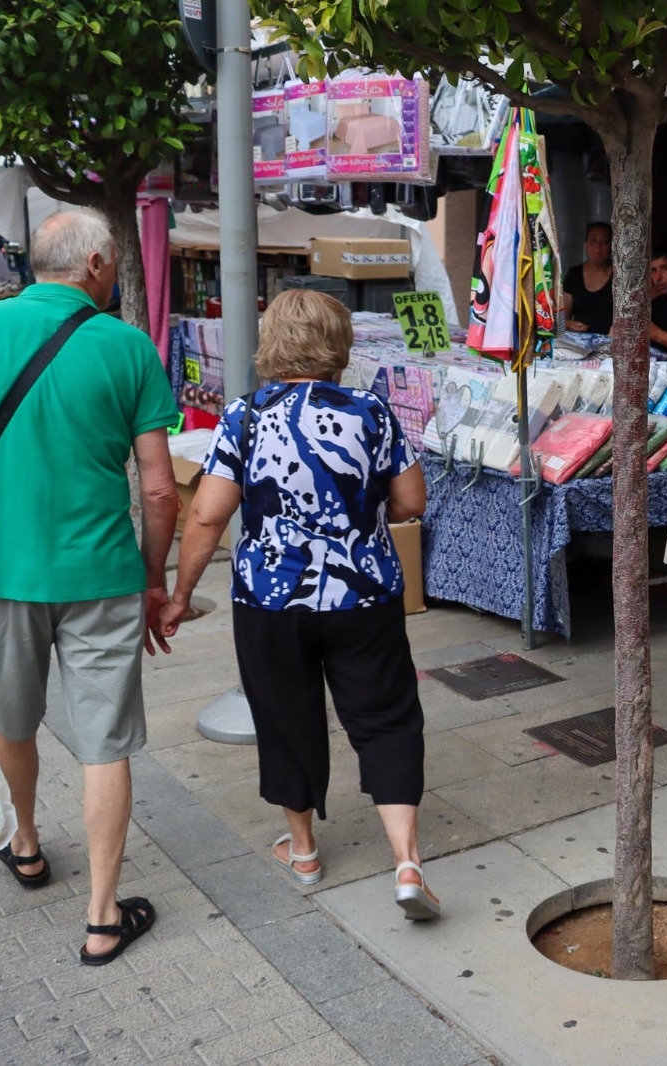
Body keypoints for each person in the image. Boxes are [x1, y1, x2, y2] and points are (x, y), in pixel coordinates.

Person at [0, 209, 180, 966]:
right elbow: (158, 491)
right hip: (102, 576)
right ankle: (100, 918)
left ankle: (24, 843)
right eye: (112, 264)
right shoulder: (129, 348)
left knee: (10, 717)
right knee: (104, 742)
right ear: (92, 265)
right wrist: (155, 582)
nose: (113, 275)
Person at [159, 289, 440, 921]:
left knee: (286, 717)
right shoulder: (372, 412)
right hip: (363, 594)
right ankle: (406, 861)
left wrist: (180, 594)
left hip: (270, 599)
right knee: (387, 717)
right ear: (339, 345)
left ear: (271, 343)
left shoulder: (244, 417)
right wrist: (365, 518)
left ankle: (306, 850)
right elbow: (412, 502)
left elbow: (206, 515)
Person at [562, 221, 614, 334]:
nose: (598, 246)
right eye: (593, 240)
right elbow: (563, 318)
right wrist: (570, 324)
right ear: (586, 244)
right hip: (578, 343)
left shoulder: (620, 276)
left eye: (604, 241)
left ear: (612, 245)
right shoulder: (574, 274)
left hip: (611, 343)